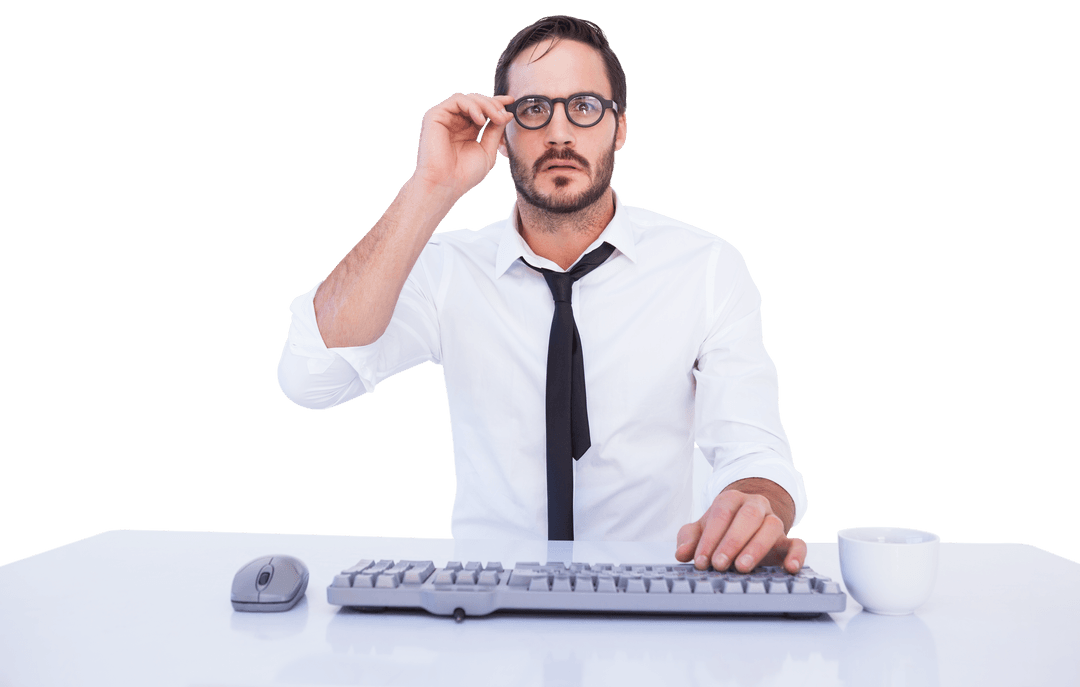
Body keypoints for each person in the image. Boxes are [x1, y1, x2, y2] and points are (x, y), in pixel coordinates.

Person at [277, 15, 809, 574]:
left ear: (619, 128)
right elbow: (312, 379)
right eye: (532, 109)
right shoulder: (448, 271)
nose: (559, 133)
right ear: (502, 132)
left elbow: (752, 448)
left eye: (584, 107)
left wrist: (756, 502)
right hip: (486, 610)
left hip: (654, 609)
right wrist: (430, 186)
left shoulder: (705, 268)